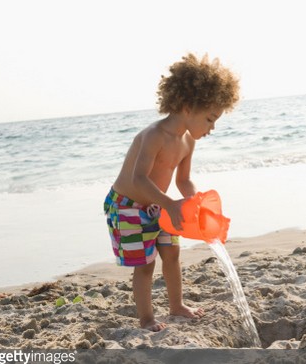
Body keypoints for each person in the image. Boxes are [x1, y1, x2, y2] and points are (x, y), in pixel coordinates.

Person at [103, 53, 240, 331]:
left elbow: (184, 181)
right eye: (210, 119)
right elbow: (138, 179)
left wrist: (195, 201)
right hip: (129, 205)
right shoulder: (153, 136)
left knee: (172, 255)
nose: (212, 128)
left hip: (162, 205)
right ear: (188, 107)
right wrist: (169, 204)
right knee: (145, 264)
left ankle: (176, 305)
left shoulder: (188, 141)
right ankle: (147, 318)